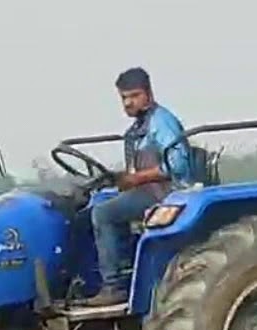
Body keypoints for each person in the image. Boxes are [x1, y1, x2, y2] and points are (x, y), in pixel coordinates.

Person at [77, 67, 194, 307]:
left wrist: (135, 179)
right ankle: (89, 279)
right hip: (146, 190)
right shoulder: (138, 128)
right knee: (91, 208)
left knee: (104, 214)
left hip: (166, 193)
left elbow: (177, 166)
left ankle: (113, 285)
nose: (128, 102)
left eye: (134, 96)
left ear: (148, 94)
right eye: (124, 98)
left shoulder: (161, 121)